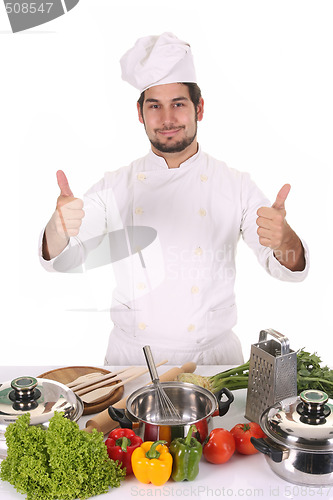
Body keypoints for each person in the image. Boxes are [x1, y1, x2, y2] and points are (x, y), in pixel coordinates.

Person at [40, 33, 309, 366]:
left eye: (178, 104)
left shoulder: (235, 185)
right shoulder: (116, 185)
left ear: (200, 108)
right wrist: (58, 227)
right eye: (155, 105)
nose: (167, 118)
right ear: (140, 114)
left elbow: (287, 266)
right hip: (132, 362)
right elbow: (63, 255)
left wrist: (286, 238)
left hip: (212, 361)